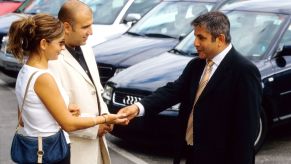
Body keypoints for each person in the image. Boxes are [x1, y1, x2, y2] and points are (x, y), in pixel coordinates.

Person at [118, 11, 262, 164]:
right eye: (195, 36)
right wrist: (137, 108)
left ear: (220, 39)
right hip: (192, 154)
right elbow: (173, 91)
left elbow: (246, 131)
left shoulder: (244, 71)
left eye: (201, 38)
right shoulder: (196, 65)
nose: (195, 43)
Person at [8, 14, 128, 164]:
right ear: (44, 44)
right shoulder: (43, 77)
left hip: (38, 151)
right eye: (60, 43)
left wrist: (62, 111)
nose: (62, 48)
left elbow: (24, 119)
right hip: (50, 152)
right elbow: (69, 124)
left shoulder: (25, 71)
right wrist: (104, 118)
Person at [48, 1, 116, 163]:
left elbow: (96, 89)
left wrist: (106, 117)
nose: (91, 32)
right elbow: (57, 115)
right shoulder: (51, 60)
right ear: (66, 27)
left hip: (97, 146)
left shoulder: (86, 48)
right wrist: (95, 128)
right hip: (73, 151)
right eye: (85, 27)